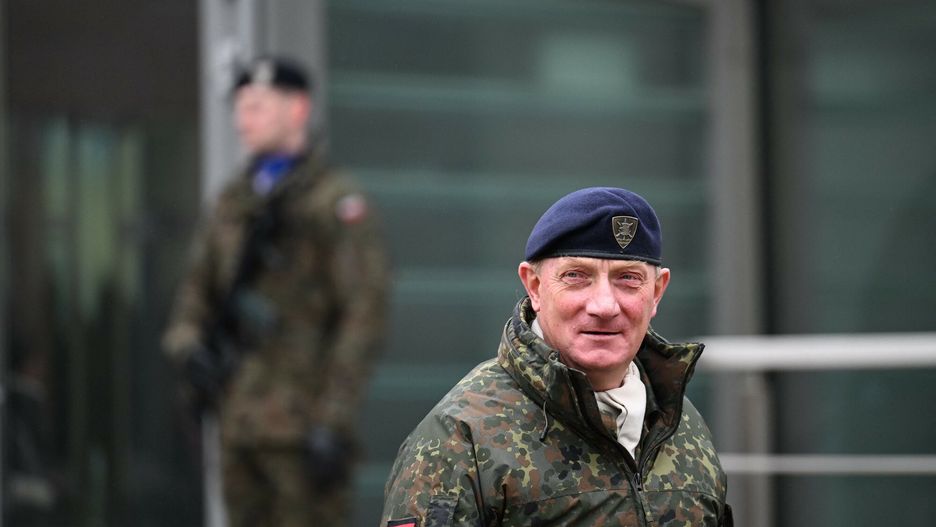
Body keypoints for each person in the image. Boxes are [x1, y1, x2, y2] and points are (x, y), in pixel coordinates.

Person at [381, 187, 731, 526]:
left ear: (656, 292)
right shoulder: (460, 436)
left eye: (628, 278)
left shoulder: (683, 427)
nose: (604, 305)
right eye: (576, 276)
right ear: (534, 287)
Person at [162, 56, 388, 527]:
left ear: (298, 109)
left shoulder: (334, 201)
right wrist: (190, 351)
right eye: (240, 107)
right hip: (237, 420)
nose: (244, 119)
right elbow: (194, 297)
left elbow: (363, 313)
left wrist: (333, 419)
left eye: (258, 106)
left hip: (303, 429)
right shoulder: (232, 202)